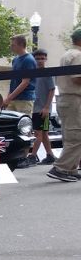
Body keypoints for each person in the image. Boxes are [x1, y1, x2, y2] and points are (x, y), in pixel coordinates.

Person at [47, 28, 81, 183]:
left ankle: (71, 168)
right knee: (76, 136)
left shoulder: (68, 54)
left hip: (66, 98)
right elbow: (77, 78)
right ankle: (61, 168)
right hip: (74, 98)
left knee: (71, 135)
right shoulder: (79, 55)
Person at [30, 48, 57, 164]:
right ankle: (50, 155)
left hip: (42, 110)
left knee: (38, 133)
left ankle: (32, 156)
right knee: (44, 133)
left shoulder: (47, 73)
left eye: (42, 58)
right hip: (35, 107)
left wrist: (46, 107)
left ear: (46, 59)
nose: (40, 61)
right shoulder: (32, 73)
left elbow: (52, 90)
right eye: (37, 58)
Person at [0, 33, 37, 113]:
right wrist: (8, 98)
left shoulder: (28, 60)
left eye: (13, 45)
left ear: (21, 45)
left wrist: (8, 98)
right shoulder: (15, 60)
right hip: (13, 98)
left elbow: (25, 82)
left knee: (23, 123)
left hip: (24, 99)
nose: (11, 47)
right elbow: (13, 81)